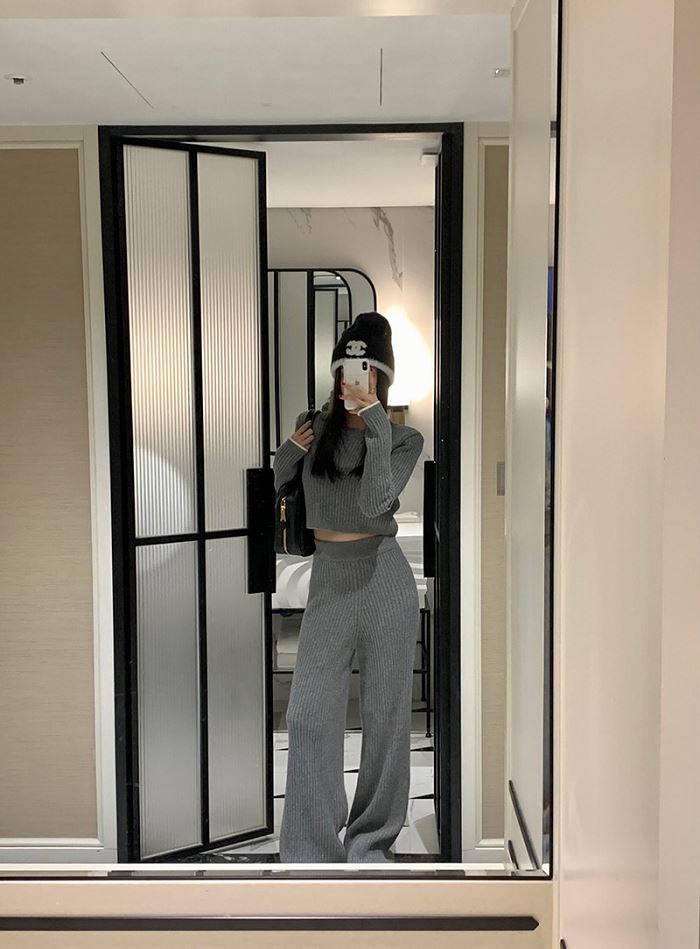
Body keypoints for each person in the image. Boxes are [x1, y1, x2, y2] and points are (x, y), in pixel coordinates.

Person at [273, 311, 424, 863]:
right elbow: (277, 489)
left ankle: (371, 841)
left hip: (384, 579)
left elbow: (375, 502)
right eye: (345, 369)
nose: (352, 380)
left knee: (385, 719)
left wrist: (376, 422)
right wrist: (290, 451)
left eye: (366, 371)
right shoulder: (311, 426)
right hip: (331, 580)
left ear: (382, 377)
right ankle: (309, 848)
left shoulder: (403, 438)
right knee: (309, 713)